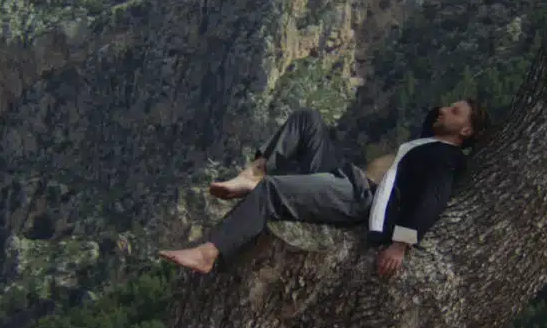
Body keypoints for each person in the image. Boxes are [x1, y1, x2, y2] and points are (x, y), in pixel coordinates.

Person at [159, 99, 489, 278]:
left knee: (273, 192)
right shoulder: (428, 143)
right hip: (347, 178)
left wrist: (400, 246)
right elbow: (432, 115)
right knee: (307, 120)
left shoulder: (446, 157)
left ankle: (209, 253)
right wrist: (442, 115)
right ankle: (253, 173)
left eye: (455, 111)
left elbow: (431, 200)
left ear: (466, 131)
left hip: (359, 197)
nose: (444, 109)